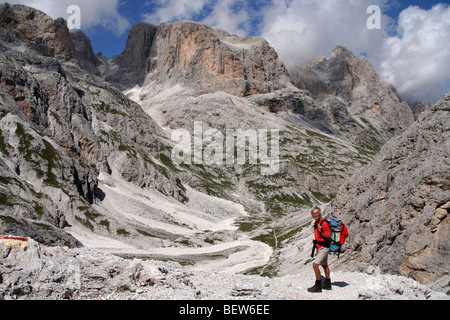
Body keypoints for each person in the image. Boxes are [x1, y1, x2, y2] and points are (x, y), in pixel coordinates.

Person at [307, 206, 332, 293]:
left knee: (315, 265)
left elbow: (329, 237)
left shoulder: (323, 223)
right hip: (320, 247)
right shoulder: (317, 222)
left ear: (320, 213)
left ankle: (318, 286)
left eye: (317, 213)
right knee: (324, 265)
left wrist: (320, 231)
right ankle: (328, 284)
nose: (315, 215)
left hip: (324, 247)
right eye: (313, 213)